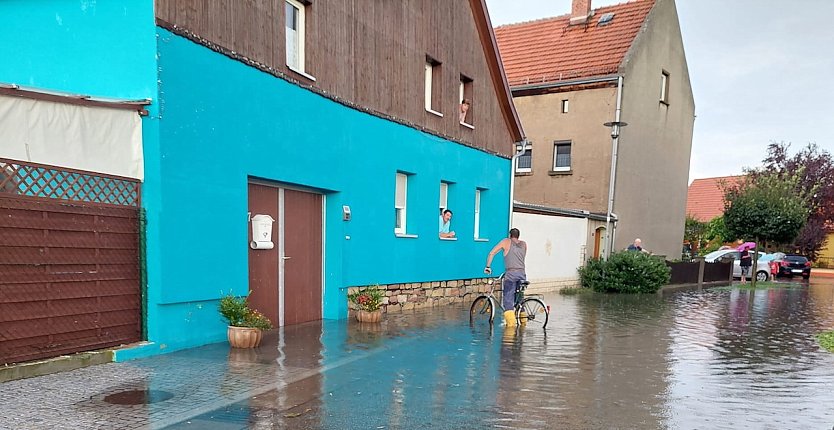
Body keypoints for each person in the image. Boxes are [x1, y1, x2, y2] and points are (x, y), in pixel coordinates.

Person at [484, 228, 527, 327]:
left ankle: (511, 326)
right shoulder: (524, 244)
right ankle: (523, 322)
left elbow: (492, 253)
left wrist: (488, 266)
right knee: (519, 298)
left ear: (510, 235)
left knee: (508, 298)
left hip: (511, 274)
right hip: (522, 274)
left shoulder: (506, 241)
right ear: (518, 235)